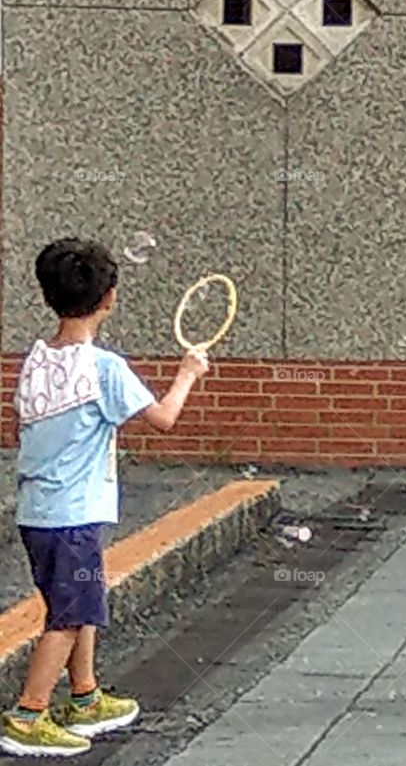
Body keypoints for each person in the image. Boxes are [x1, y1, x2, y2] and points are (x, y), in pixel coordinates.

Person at [0, 238, 209, 758]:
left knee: (76, 602)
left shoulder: (36, 360)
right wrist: (188, 373)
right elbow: (163, 418)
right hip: (74, 516)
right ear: (110, 298)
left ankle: (86, 695)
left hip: (37, 513)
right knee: (70, 616)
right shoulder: (105, 368)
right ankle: (28, 714)